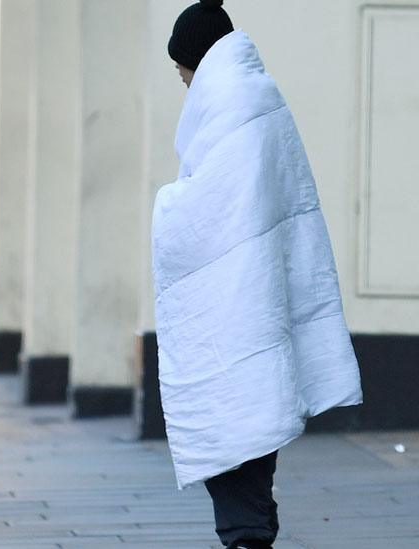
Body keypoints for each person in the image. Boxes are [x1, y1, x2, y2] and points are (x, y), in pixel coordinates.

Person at [152, 2, 363, 548]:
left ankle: (247, 537)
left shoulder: (234, 102)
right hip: (252, 294)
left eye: (183, 69)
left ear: (200, 58)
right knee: (247, 425)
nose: (182, 80)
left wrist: (167, 204)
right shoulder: (253, 95)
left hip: (238, 301)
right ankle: (251, 534)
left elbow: (212, 206)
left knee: (235, 430)